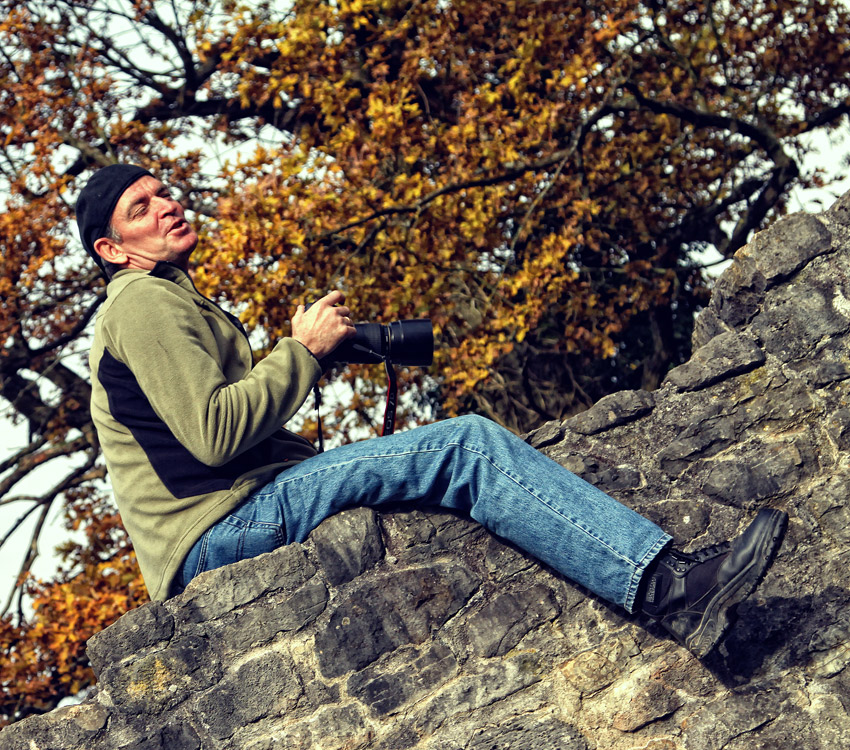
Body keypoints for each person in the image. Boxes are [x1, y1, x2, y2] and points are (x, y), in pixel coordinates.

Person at [77, 164, 788, 659]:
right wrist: (301, 352)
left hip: (229, 513)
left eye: (165, 192)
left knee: (428, 458)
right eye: (142, 208)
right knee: (466, 445)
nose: (168, 205)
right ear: (112, 250)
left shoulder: (168, 296)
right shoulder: (141, 301)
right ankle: (666, 588)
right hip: (214, 532)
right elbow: (214, 434)